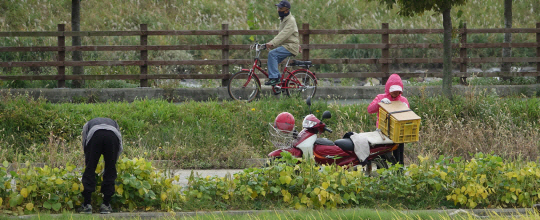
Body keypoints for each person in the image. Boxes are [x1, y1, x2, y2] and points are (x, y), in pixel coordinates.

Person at [78, 117, 122, 214]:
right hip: (112, 136)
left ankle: (87, 205)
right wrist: (113, 161)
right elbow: (119, 143)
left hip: (95, 135)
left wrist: (89, 161)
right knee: (110, 170)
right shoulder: (115, 123)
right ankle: (106, 205)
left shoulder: (88, 124)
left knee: (90, 169)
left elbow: (85, 143)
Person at [367, 74, 409, 166]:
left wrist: (406, 108)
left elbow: (407, 117)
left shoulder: (403, 100)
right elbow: (370, 110)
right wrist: (379, 103)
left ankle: (399, 174)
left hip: (398, 132)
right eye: (393, 90)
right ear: (388, 89)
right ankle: (382, 173)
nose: (395, 92)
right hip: (383, 132)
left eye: (398, 91)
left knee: (399, 156)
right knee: (382, 155)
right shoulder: (381, 97)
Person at [264, 0, 300, 86]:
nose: (278, 10)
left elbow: (283, 35)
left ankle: (275, 79)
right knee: (272, 60)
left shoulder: (291, 20)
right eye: (278, 8)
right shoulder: (283, 19)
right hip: (288, 45)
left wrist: (272, 43)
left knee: (272, 54)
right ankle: (279, 81)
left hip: (290, 46)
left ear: (286, 10)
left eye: (280, 8)